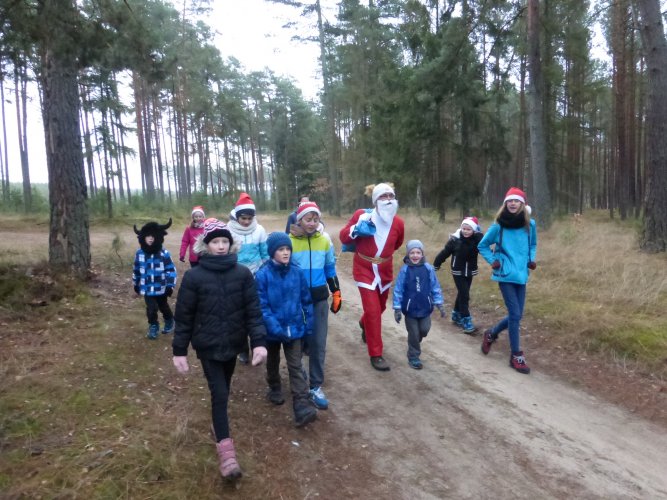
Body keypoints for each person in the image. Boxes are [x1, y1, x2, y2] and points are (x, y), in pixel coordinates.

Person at [172, 218, 268, 481]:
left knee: (224, 387)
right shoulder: (194, 277)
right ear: (206, 245)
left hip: (233, 344)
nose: (221, 246)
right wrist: (179, 350)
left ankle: (218, 423)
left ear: (231, 243)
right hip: (208, 346)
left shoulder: (242, 274)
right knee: (220, 393)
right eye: (215, 241)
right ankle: (227, 455)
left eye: (225, 241)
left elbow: (253, 312)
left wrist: (259, 343)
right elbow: (184, 316)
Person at [255, 232, 318, 427]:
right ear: (272, 252)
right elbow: (262, 306)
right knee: (272, 361)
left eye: (288, 249)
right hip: (272, 331)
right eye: (281, 249)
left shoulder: (297, 273)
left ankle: (301, 404)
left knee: (295, 365)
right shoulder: (263, 275)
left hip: (295, 329)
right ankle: (274, 387)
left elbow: (306, 301)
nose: (285, 253)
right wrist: (275, 328)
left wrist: (308, 327)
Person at [339, 183, 404, 371]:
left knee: (381, 306)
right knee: (373, 311)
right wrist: (356, 229)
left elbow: (397, 244)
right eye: (383, 196)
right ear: (375, 200)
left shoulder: (398, 223)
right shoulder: (362, 216)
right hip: (364, 268)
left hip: (385, 270)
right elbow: (344, 237)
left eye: (391, 196)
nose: (388, 200)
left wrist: (382, 257)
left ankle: (364, 323)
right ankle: (376, 354)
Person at [478, 187, 537, 374]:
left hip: (521, 275)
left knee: (516, 315)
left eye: (516, 201)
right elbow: (482, 245)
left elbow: (532, 244)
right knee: (515, 314)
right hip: (504, 274)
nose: (512, 203)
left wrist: (531, 259)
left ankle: (491, 334)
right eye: (509, 201)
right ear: (505, 204)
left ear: (522, 204)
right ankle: (515, 355)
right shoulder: (499, 226)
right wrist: (493, 261)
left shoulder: (530, 225)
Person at [289, 201, 341, 409]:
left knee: (318, 343)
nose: (311, 223)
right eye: (308, 219)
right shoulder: (289, 241)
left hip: (319, 299)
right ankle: (299, 377)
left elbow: (330, 267)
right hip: (297, 301)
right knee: (298, 343)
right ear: (299, 220)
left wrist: (336, 292)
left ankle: (315, 386)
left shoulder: (325, 240)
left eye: (315, 219)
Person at [227, 192, 269, 364]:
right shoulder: (228, 230)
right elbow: (226, 253)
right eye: (243, 218)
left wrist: (264, 272)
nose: (246, 221)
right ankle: (242, 348)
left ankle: (257, 345)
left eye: (249, 218)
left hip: (256, 277)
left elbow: (265, 254)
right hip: (235, 278)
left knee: (255, 313)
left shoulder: (259, 230)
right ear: (237, 216)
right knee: (238, 314)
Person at [392, 240, 446, 370]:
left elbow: (435, 286)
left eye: (418, 252)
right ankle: (413, 356)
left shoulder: (428, 268)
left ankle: (415, 341)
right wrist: (397, 308)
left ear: (422, 254)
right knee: (414, 333)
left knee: (424, 330)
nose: (415, 255)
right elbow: (398, 290)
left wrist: (439, 303)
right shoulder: (405, 270)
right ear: (408, 254)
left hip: (425, 308)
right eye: (412, 253)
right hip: (410, 309)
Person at [433, 216, 484, 334]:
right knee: (465, 295)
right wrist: (436, 264)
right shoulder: (455, 240)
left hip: (470, 271)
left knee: (462, 293)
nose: (465, 231)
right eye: (464, 228)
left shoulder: (477, 240)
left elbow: (484, 249)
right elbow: (444, 253)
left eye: (468, 229)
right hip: (458, 271)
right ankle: (466, 320)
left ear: (474, 230)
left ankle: (456, 315)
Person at [132, 218, 177, 339]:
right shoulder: (139, 253)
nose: (151, 238)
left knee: (163, 306)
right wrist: (136, 283)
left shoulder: (163, 253)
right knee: (151, 309)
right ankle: (153, 326)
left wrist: (170, 285)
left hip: (161, 287)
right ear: (143, 237)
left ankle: (169, 320)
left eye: (153, 236)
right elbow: (136, 269)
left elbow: (171, 270)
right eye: (148, 236)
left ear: (158, 236)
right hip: (147, 288)